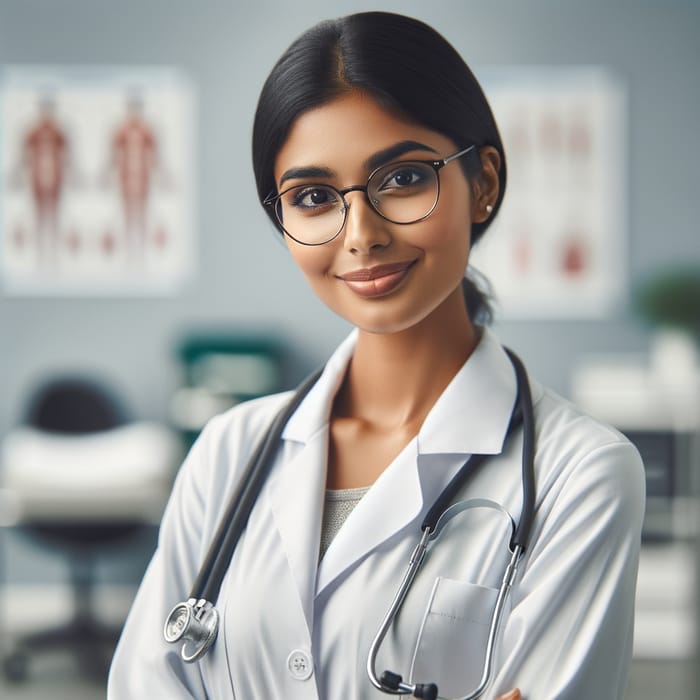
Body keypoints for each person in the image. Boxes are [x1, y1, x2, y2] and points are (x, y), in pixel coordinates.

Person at [108, 11, 645, 699]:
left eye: (402, 180)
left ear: (482, 182)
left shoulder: (582, 476)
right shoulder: (228, 453)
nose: (359, 235)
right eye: (313, 197)